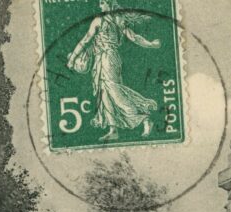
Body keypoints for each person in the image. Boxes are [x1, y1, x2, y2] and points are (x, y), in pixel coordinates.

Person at [66, 0, 162, 141]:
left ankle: (143, 119)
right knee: (104, 92)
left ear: (110, 3)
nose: (100, 6)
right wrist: (151, 44)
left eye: (103, 2)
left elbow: (86, 40)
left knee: (114, 91)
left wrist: (72, 59)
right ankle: (113, 130)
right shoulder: (116, 19)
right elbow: (134, 38)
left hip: (108, 58)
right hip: (105, 58)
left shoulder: (102, 20)